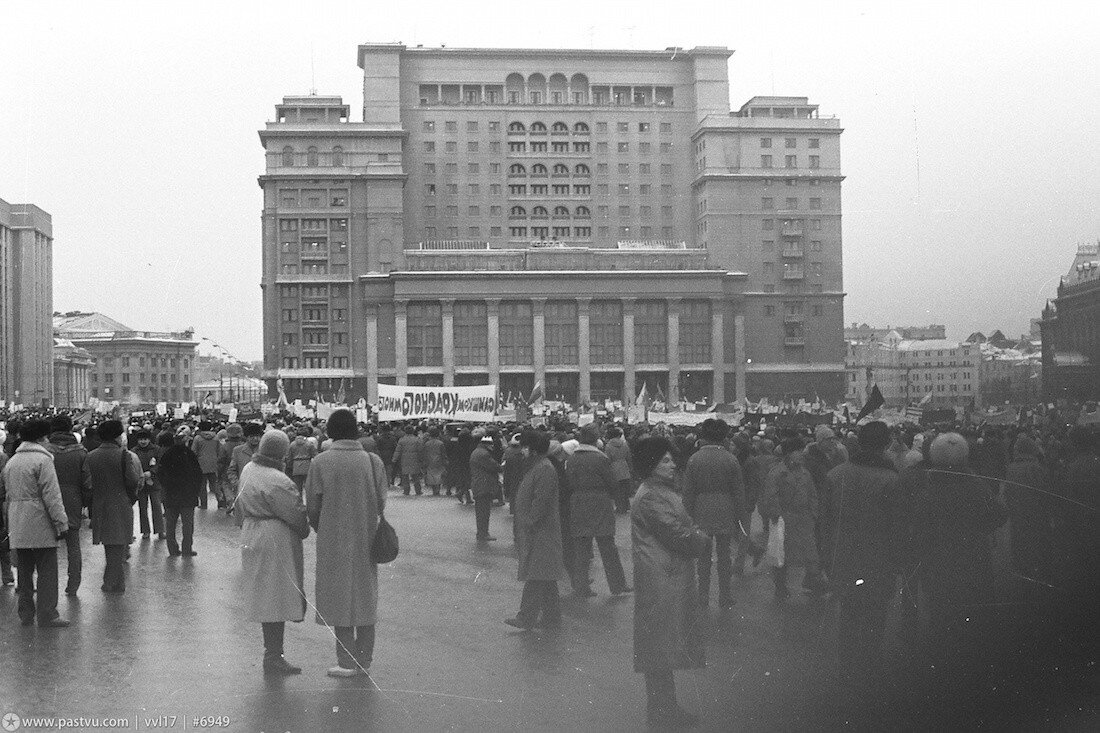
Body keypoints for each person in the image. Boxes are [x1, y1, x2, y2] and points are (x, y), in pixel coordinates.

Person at [913, 432, 1007, 682]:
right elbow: (999, 514)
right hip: (973, 557)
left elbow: (918, 527)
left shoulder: (927, 488)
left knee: (941, 615)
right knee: (975, 614)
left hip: (938, 561)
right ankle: (976, 667)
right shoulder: (975, 485)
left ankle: (943, 669)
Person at [631, 435, 710, 728]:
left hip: (666, 576)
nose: (672, 464)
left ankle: (666, 709)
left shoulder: (660, 490)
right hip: (662, 579)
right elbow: (677, 534)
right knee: (660, 649)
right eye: (664, 460)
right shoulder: (653, 495)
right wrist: (702, 539)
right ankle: (662, 714)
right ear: (651, 465)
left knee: (662, 648)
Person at [825, 421, 906, 697]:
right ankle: (869, 673)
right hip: (878, 558)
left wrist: (826, 558)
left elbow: (823, 522)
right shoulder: (892, 480)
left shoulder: (835, 475)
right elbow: (898, 526)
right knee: (875, 615)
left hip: (843, 556)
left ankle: (846, 672)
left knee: (848, 612)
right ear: (885, 445)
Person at [306, 408, 389, 677]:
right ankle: (365, 659)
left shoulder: (320, 462)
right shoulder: (373, 460)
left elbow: (313, 507)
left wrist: (324, 528)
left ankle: (346, 661)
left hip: (333, 537)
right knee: (365, 596)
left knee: (338, 597)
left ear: (330, 431)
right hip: (367, 535)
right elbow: (381, 501)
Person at [235, 429, 310, 675]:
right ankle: (274, 655)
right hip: (274, 536)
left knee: (265, 595)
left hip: (252, 531)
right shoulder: (278, 479)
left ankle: (272, 652)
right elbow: (295, 514)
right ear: (282, 453)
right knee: (277, 595)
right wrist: (303, 528)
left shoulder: (249, 469)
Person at [0, 419, 71, 627]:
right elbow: (52, 495)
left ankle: (26, 613)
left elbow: (7, 496)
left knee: (24, 571)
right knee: (47, 570)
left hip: (18, 520)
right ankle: (48, 613)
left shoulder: (12, 462)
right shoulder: (43, 461)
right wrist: (61, 522)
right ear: (41, 438)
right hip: (41, 521)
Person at [681, 419, 745, 609]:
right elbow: (738, 490)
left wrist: (688, 515)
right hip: (725, 508)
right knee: (725, 555)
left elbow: (688, 491)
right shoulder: (731, 459)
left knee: (703, 556)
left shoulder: (695, 459)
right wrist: (739, 515)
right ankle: (725, 595)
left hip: (701, 509)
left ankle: (703, 595)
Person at [506, 430, 565, 630]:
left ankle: (526, 617)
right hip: (539, 530)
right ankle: (552, 617)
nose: (521, 450)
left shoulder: (544, 468)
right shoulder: (539, 466)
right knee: (544, 576)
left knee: (536, 575)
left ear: (532, 449)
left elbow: (541, 501)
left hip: (541, 531)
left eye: (524, 447)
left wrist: (530, 522)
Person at [566, 424, 631, 598]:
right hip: (600, 501)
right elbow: (611, 482)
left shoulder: (572, 458)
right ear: (596, 439)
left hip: (578, 501)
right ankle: (617, 585)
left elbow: (569, 482)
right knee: (607, 545)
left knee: (581, 548)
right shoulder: (600, 458)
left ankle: (580, 586)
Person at [761, 436, 826, 601]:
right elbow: (770, 495)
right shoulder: (777, 473)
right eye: (798, 451)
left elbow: (812, 494)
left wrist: (813, 513)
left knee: (810, 554)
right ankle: (780, 587)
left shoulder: (805, 473)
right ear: (789, 454)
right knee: (782, 554)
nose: (802, 454)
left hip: (804, 519)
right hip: (785, 519)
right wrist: (776, 515)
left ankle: (815, 584)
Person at [86, 420, 141, 593]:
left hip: (100, 503)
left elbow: (88, 483)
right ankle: (113, 581)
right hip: (120, 503)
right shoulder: (124, 455)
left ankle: (114, 580)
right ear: (117, 436)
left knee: (110, 544)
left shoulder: (91, 456)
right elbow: (132, 480)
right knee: (118, 544)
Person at [46, 414, 92, 595]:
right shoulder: (81, 452)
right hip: (73, 499)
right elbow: (88, 483)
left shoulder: (45, 451)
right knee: (73, 544)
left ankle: (49, 587)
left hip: (48, 499)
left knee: (48, 546)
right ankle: (73, 584)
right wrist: (85, 504)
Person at [157, 431, 203, 557]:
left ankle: (173, 550)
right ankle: (187, 549)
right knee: (187, 524)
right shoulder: (190, 454)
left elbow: (160, 473)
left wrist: (167, 486)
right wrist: (195, 490)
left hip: (171, 494)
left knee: (171, 524)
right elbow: (198, 474)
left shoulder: (167, 454)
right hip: (188, 495)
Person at [131, 429, 164, 540]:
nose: (143, 442)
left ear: (149, 439)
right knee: (142, 508)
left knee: (157, 506)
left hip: (154, 482)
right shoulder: (133, 451)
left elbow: (160, 464)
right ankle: (145, 531)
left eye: (145, 439)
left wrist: (152, 472)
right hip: (140, 483)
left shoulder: (157, 449)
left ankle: (160, 530)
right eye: (140, 439)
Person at [469, 434, 501, 542]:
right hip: (484, 485)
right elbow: (495, 467)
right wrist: (502, 466)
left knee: (481, 511)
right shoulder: (484, 454)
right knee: (484, 511)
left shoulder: (477, 451)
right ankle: (483, 533)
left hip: (479, 484)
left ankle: (482, 532)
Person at [227, 423, 264, 504]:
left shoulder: (264, 451)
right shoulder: (237, 450)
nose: (255, 439)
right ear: (246, 437)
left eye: (257, 436)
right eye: (251, 436)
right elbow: (231, 470)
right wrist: (236, 484)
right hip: (243, 491)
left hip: (261, 492)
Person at [190, 421, 222, 509]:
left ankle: (204, 504)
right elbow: (220, 451)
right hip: (214, 463)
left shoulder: (197, 438)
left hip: (201, 464)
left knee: (202, 486)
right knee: (215, 484)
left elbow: (193, 451)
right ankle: (221, 502)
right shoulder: (216, 438)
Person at [604, 425, 634, 514]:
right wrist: (630, 467)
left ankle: (619, 507)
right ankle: (626, 505)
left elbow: (607, 458)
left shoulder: (608, 445)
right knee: (625, 488)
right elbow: (628, 457)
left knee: (617, 489)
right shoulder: (624, 444)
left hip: (614, 468)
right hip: (624, 466)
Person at [219, 423, 246, 513]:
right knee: (239, 486)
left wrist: (219, 472)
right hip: (241, 468)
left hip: (227, 469)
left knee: (227, 487)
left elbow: (221, 460)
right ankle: (238, 503)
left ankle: (231, 502)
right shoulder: (244, 445)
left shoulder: (225, 446)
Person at [391, 426, 424, 496]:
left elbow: (398, 451)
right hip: (415, 459)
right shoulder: (417, 439)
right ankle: (418, 490)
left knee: (405, 476)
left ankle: (406, 491)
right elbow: (420, 451)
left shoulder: (401, 440)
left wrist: (394, 459)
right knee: (415, 476)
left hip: (404, 459)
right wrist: (421, 459)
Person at [285, 425, 317, 495]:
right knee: (308, 487)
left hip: (296, 466)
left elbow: (289, 457)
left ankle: (299, 503)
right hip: (307, 465)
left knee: (297, 488)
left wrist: (290, 466)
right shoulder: (309, 444)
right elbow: (315, 455)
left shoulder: (292, 444)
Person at [422, 426, 447, 496]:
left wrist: (424, 462)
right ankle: (437, 490)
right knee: (438, 476)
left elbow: (425, 453)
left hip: (429, 461)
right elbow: (443, 453)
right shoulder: (440, 443)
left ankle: (434, 490)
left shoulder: (427, 443)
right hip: (439, 461)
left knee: (431, 476)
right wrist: (445, 461)